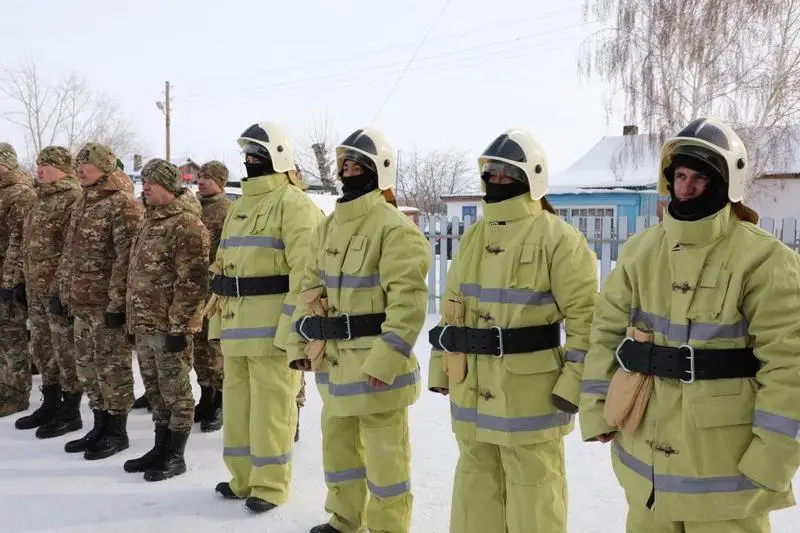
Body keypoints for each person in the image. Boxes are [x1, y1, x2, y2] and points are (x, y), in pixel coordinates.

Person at [579, 117, 800, 533]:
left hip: (726, 473)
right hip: (645, 464)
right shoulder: (641, 251)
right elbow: (605, 332)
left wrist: (773, 457)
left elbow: (790, 367)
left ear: (727, 183)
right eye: (679, 175)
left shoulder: (766, 261)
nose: (686, 186)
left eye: (700, 177)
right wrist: (596, 410)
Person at [426, 129, 598, 533]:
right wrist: (440, 368)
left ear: (531, 177)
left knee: (534, 495)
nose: (498, 181)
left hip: (532, 395)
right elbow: (451, 308)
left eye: (508, 173)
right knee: (475, 491)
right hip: (471, 389)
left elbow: (588, 322)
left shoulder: (559, 239)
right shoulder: (473, 237)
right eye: (492, 173)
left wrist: (574, 384)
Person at [287, 127, 431, 533]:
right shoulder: (328, 227)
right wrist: (301, 342)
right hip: (334, 363)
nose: (347, 170)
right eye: (344, 164)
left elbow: (408, 306)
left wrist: (386, 359)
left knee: (387, 460)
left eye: (357, 164)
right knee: (339, 450)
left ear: (377, 171)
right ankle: (345, 519)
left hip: (375, 367)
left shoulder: (395, 229)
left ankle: (388, 527)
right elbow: (308, 289)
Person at [207, 121, 324, 513]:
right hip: (237, 328)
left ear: (279, 157)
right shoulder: (239, 206)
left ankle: (270, 486)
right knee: (238, 408)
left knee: (273, 410)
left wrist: (292, 332)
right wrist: (216, 324)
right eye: (247, 155)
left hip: (273, 334)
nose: (251, 161)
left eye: (259, 154)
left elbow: (306, 277)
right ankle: (242, 478)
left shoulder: (294, 204)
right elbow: (222, 269)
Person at [123, 159, 209, 481]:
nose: (144, 188)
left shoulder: (186, 225)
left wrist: (181, 327)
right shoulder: (148, 220)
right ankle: (160, 447)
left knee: (176, 391)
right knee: (155, 390)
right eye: (143, 182)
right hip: (144, 324)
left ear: (168, 186)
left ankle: (176, 454)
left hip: (169, 327)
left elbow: (194, 282)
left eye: (151, 183)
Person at [56, 142, 142, 460]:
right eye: (78, 164)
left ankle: (117, 432)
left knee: (112, 368)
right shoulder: (83, 201)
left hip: (106, 306)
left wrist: (117, 304)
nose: (80, 169)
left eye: (86, 164)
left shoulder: (122, 204)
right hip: (81, 303)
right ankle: (99, 425)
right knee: (88, 368)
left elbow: (127, 260)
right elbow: (69, 253)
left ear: (104, 167)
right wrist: (64, 291)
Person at [16, 146, 84, 438]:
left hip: (58, 291)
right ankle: (51, 402)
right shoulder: (37, 199)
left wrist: (62, 290)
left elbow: (73, 251)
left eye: (46, 165)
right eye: (38, 164)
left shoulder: (73, 199)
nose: (39, 170)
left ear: (63, 168)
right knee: (43, 349)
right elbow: (23, 244)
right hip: (35, 288)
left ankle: (71, 411)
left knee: (64, 351)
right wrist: (19, 279)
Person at [192, 160, 230, 433]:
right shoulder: (193, 207)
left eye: (208, 177)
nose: (201, 181)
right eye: (200, 176)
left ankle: (220, 404)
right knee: (198, 348)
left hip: (214, 291)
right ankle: (205, 397)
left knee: (215, 348)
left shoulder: (227, 211)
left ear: (221, 182)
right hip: (193, 290)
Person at [0, 142, 36, 417]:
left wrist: (12, 280)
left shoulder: (19, 195)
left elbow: (20, 240)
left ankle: (17, 392)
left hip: (7, 277)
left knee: (12, 337)